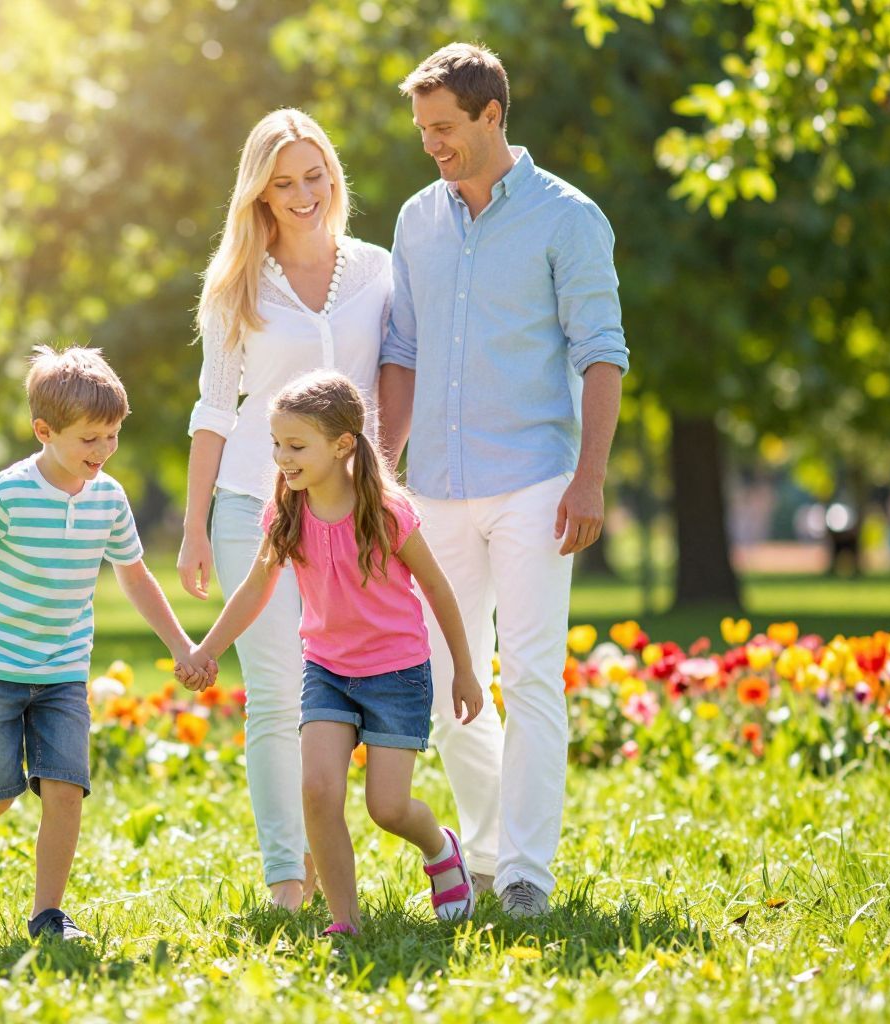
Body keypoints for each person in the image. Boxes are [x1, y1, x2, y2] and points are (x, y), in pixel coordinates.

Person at [380, 43, 629, 917]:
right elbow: (402, 355)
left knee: (528, 677)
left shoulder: (569, 219)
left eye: (444, 128)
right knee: (451, 684)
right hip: (438, 489)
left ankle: (526, 872)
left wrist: (588, 480)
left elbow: (602, 355)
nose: (432, 145)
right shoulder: (417, 219)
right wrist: (382, 471)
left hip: (535, 480)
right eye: (422, 130)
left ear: (492, 115)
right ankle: (482, 853)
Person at [0, 345, 210, 942]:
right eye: (89, 439)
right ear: (44, 431)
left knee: (66, 790)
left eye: (113, 436)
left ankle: (48, 914)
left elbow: (136, 577)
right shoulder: (7, 493)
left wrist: (182, 645)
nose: (103, 452)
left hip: (63, 670)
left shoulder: (109, 499)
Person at [178, 108, 394, 909]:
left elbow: (392, 377)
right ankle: (286, 880)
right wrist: (196, 525)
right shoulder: (239, 283)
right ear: (260, 193)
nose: (304, 193)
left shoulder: (376, 270)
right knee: (276, 694)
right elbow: (212, 410)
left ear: (333, 176)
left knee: (343, 686)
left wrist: (388, 482)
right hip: (251, 506)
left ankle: (329, 856)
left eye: (315, 175)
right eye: (284, 182)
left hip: (354, 511)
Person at [180, 371, 484, 933]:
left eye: (295, 446)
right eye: (276, 444)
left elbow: (438, 588)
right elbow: (254, 589)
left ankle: (441, 848)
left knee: (387, 808)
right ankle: (346, 921)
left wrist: (465, 670)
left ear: (343, 444)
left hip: (396, 673)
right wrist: (207, 649)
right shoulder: (286, 512)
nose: (281, 457)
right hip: (327, 670)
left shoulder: (387, 512)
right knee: (318, 790)